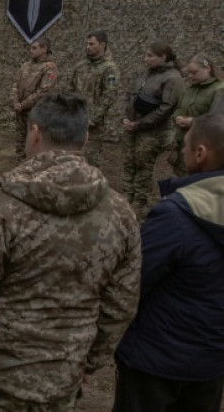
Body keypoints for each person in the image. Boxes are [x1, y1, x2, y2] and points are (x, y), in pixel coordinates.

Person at [0, 93, 140, 411]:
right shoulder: (122, 214)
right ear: (85, 137)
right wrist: (91, 362)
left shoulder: (3, 208)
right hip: (63, 376)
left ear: (34, 132)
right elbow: (122, 302)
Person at [112, 112, 224, 412]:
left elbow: (134, 279)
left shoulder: (175, 215)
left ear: (201, 153)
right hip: (212, 361)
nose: (182, 150)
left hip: (156, 360)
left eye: (185, 145)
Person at [120, 41, 184, 218]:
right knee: (128, 162)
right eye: (146, 55)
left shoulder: (172, 78)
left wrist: (140, 124)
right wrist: (124, 117)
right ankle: (126, 197)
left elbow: (167, 108)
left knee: (143, 166)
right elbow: (128, 95)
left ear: (163, 57)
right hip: (131, 127)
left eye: (150, 56)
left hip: (152, 132)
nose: (145, 59)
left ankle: (141, 204)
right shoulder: (144, 73)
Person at [68, 30, 121, 167]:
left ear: (102, 45)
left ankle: (91, 186)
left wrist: (95, 118)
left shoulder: (109, 69)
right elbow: (71, 89)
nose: (88, 47)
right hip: (76, 118)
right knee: (72, 156)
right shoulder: (81, 66)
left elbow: (109, 95)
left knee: (90, 159)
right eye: (87, 44)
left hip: (93, 123)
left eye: (91, 44)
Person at [168, 52, 224, 175]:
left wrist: (192, 122)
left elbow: (217, 121)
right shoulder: (190, 89)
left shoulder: (219, 90)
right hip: (183, 146)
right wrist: (176, 118)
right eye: (189, 73)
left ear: (208, 69)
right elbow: (178, 108)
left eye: (194, 72)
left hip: (204, 148)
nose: (190, 76)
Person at [10, 36, 59, 158]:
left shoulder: (50, 68)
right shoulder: (25, 66)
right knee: (20, 136)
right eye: (30, 48)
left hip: (36, 111)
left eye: (34, 48)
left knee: (34, 138)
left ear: (44, 49)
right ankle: (19, 159)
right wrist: (15, 101)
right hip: (20, 109)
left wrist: (22, 105)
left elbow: (43, 91)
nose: (30, 50)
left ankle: (32, 161)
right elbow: (15, 83)